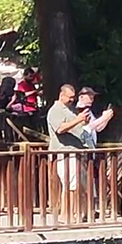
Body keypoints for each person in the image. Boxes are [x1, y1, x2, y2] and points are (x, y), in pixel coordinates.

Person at [48, 84, 91, 217]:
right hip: (65, 152)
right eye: (70, 97)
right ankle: (67, 215)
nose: (72, 100)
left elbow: (75, 126)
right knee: (70, 185)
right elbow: (60, 129)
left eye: (73, 97)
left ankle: (78, 213)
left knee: (79, 185)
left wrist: (83, 121)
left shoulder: (69, 109)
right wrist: (78, 119)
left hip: (76, 152)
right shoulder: (55, 110)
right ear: (61, 96)